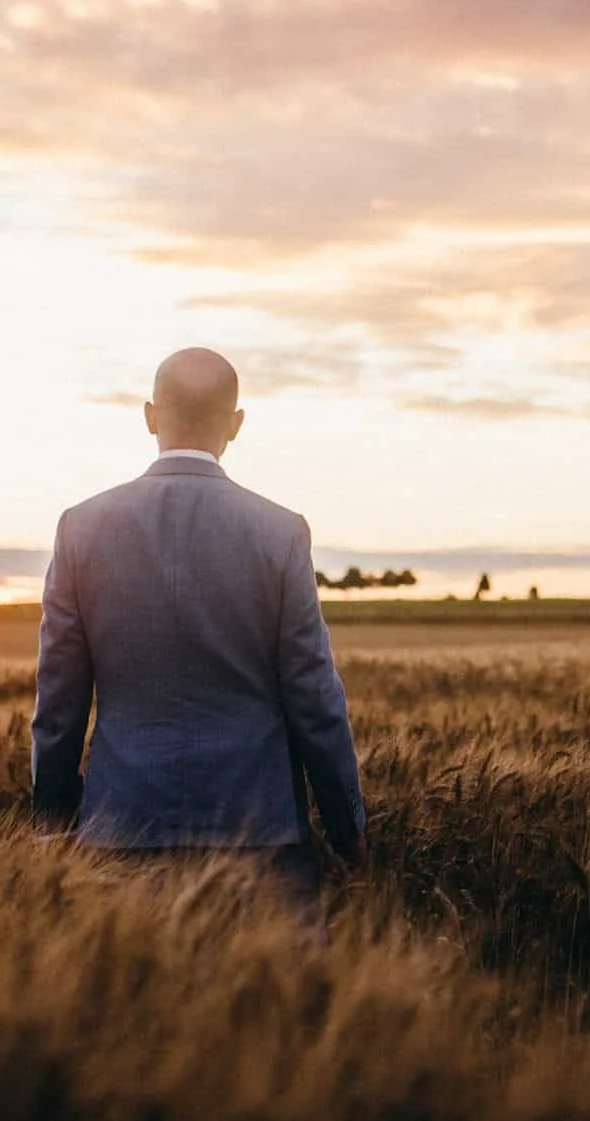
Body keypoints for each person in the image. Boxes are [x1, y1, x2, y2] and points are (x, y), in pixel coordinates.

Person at [31, 347, 366, 918]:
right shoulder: (280, 533)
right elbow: (314, 698)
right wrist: (347, 829)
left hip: (119, 829)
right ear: (236, 425)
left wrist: (53, 821)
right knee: (274, 1008)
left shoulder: (81, 528)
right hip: (261, 834)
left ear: (150, 416)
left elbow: (59, 703)